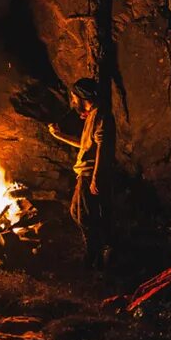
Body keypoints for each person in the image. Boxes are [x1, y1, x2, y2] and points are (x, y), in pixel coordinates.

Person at [47, 77, 115, 270]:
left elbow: (103, 147)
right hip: (86, 172)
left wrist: (96, 177)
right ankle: (97, 253)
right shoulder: (92, 115)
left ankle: (95, 255)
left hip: (89, 173)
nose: (73, 101)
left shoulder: (101, 116)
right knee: (81, 213)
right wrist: (60, 136)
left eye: (74, 97)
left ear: (82, 96)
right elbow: (86, 145)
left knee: (83, 215)